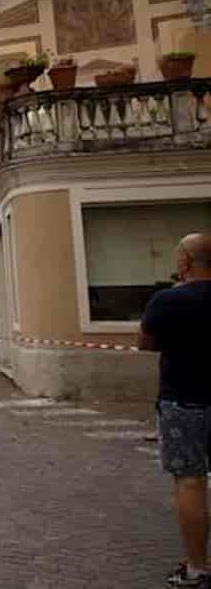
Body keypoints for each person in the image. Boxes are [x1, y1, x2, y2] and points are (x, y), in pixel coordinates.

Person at [139, 233, 211, 589]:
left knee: (190, 481)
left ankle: (197, 567)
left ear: (184, 261)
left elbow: (145, 343)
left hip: (184, 400)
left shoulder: (168, 300)